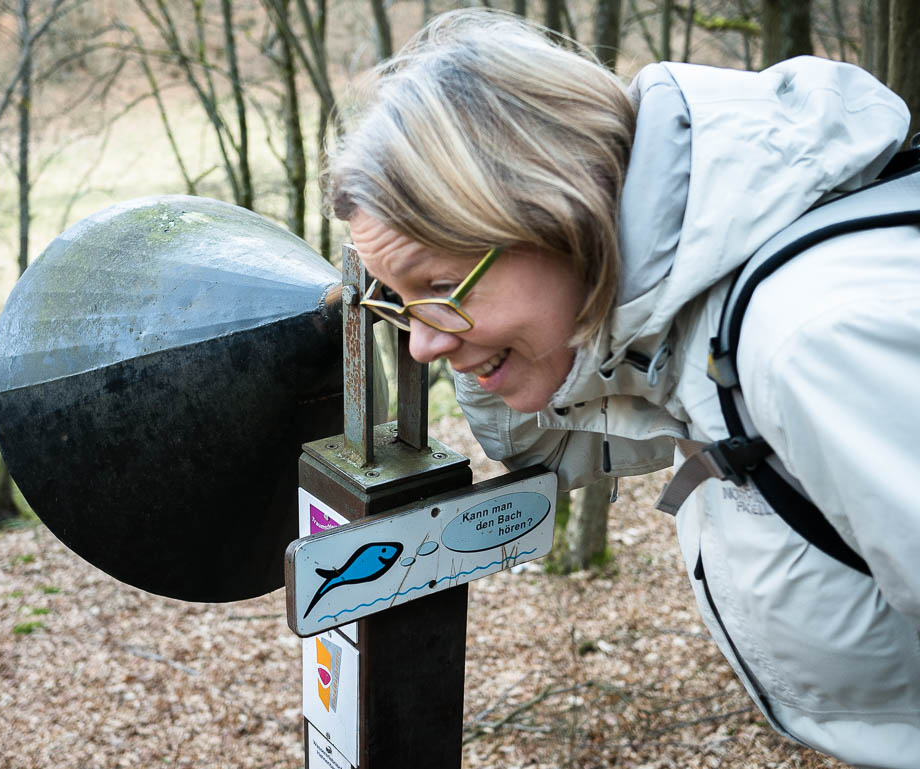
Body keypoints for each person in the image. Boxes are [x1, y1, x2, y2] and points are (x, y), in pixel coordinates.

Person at [326, 9, 920, 767]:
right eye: (400, 305)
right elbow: (543, 442)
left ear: (553, 205)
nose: (424, 344)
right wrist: (473, 329)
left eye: (441, 284)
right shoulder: (677, 320)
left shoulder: (814, 341)